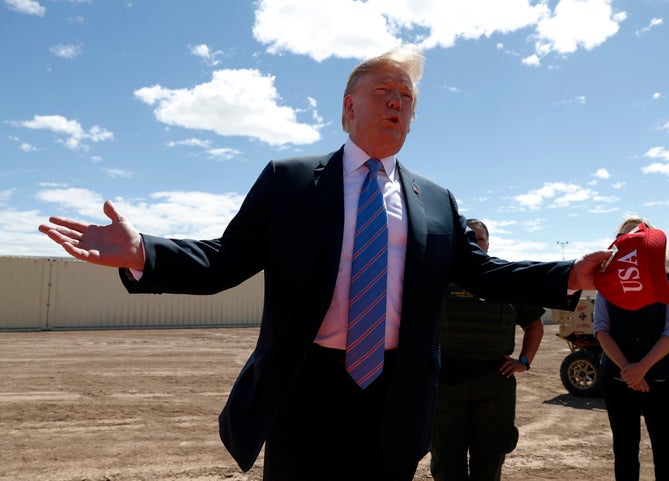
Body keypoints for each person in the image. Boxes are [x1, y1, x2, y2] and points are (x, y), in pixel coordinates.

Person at [39, 45, 610, 481]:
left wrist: (568, 275)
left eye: (407, 98)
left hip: (397, 391)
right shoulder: (289, 182)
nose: (396, 102)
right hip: (306, 385)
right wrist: (144, 252)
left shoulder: (436, 200)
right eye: (385, 90)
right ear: (348, 106)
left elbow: (483, 272)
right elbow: (224, 260)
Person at [431, 219, 545, 481]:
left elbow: (534, 326)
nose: (475, 242)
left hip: (494, 383)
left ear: (488, 243)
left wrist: (524, 361)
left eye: (479, 238)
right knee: (446, 460)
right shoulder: (438, 277)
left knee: (490, 459)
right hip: (447, 383)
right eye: (468, 238)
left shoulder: (506, 276)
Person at [593, 217, 669, 481]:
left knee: (666, 451)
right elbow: (601, 328)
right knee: (624, 450)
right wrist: (628, 371)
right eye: (624, 237)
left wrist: (640, 369)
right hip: (617, 379)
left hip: (662, 379)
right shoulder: (606, 286)